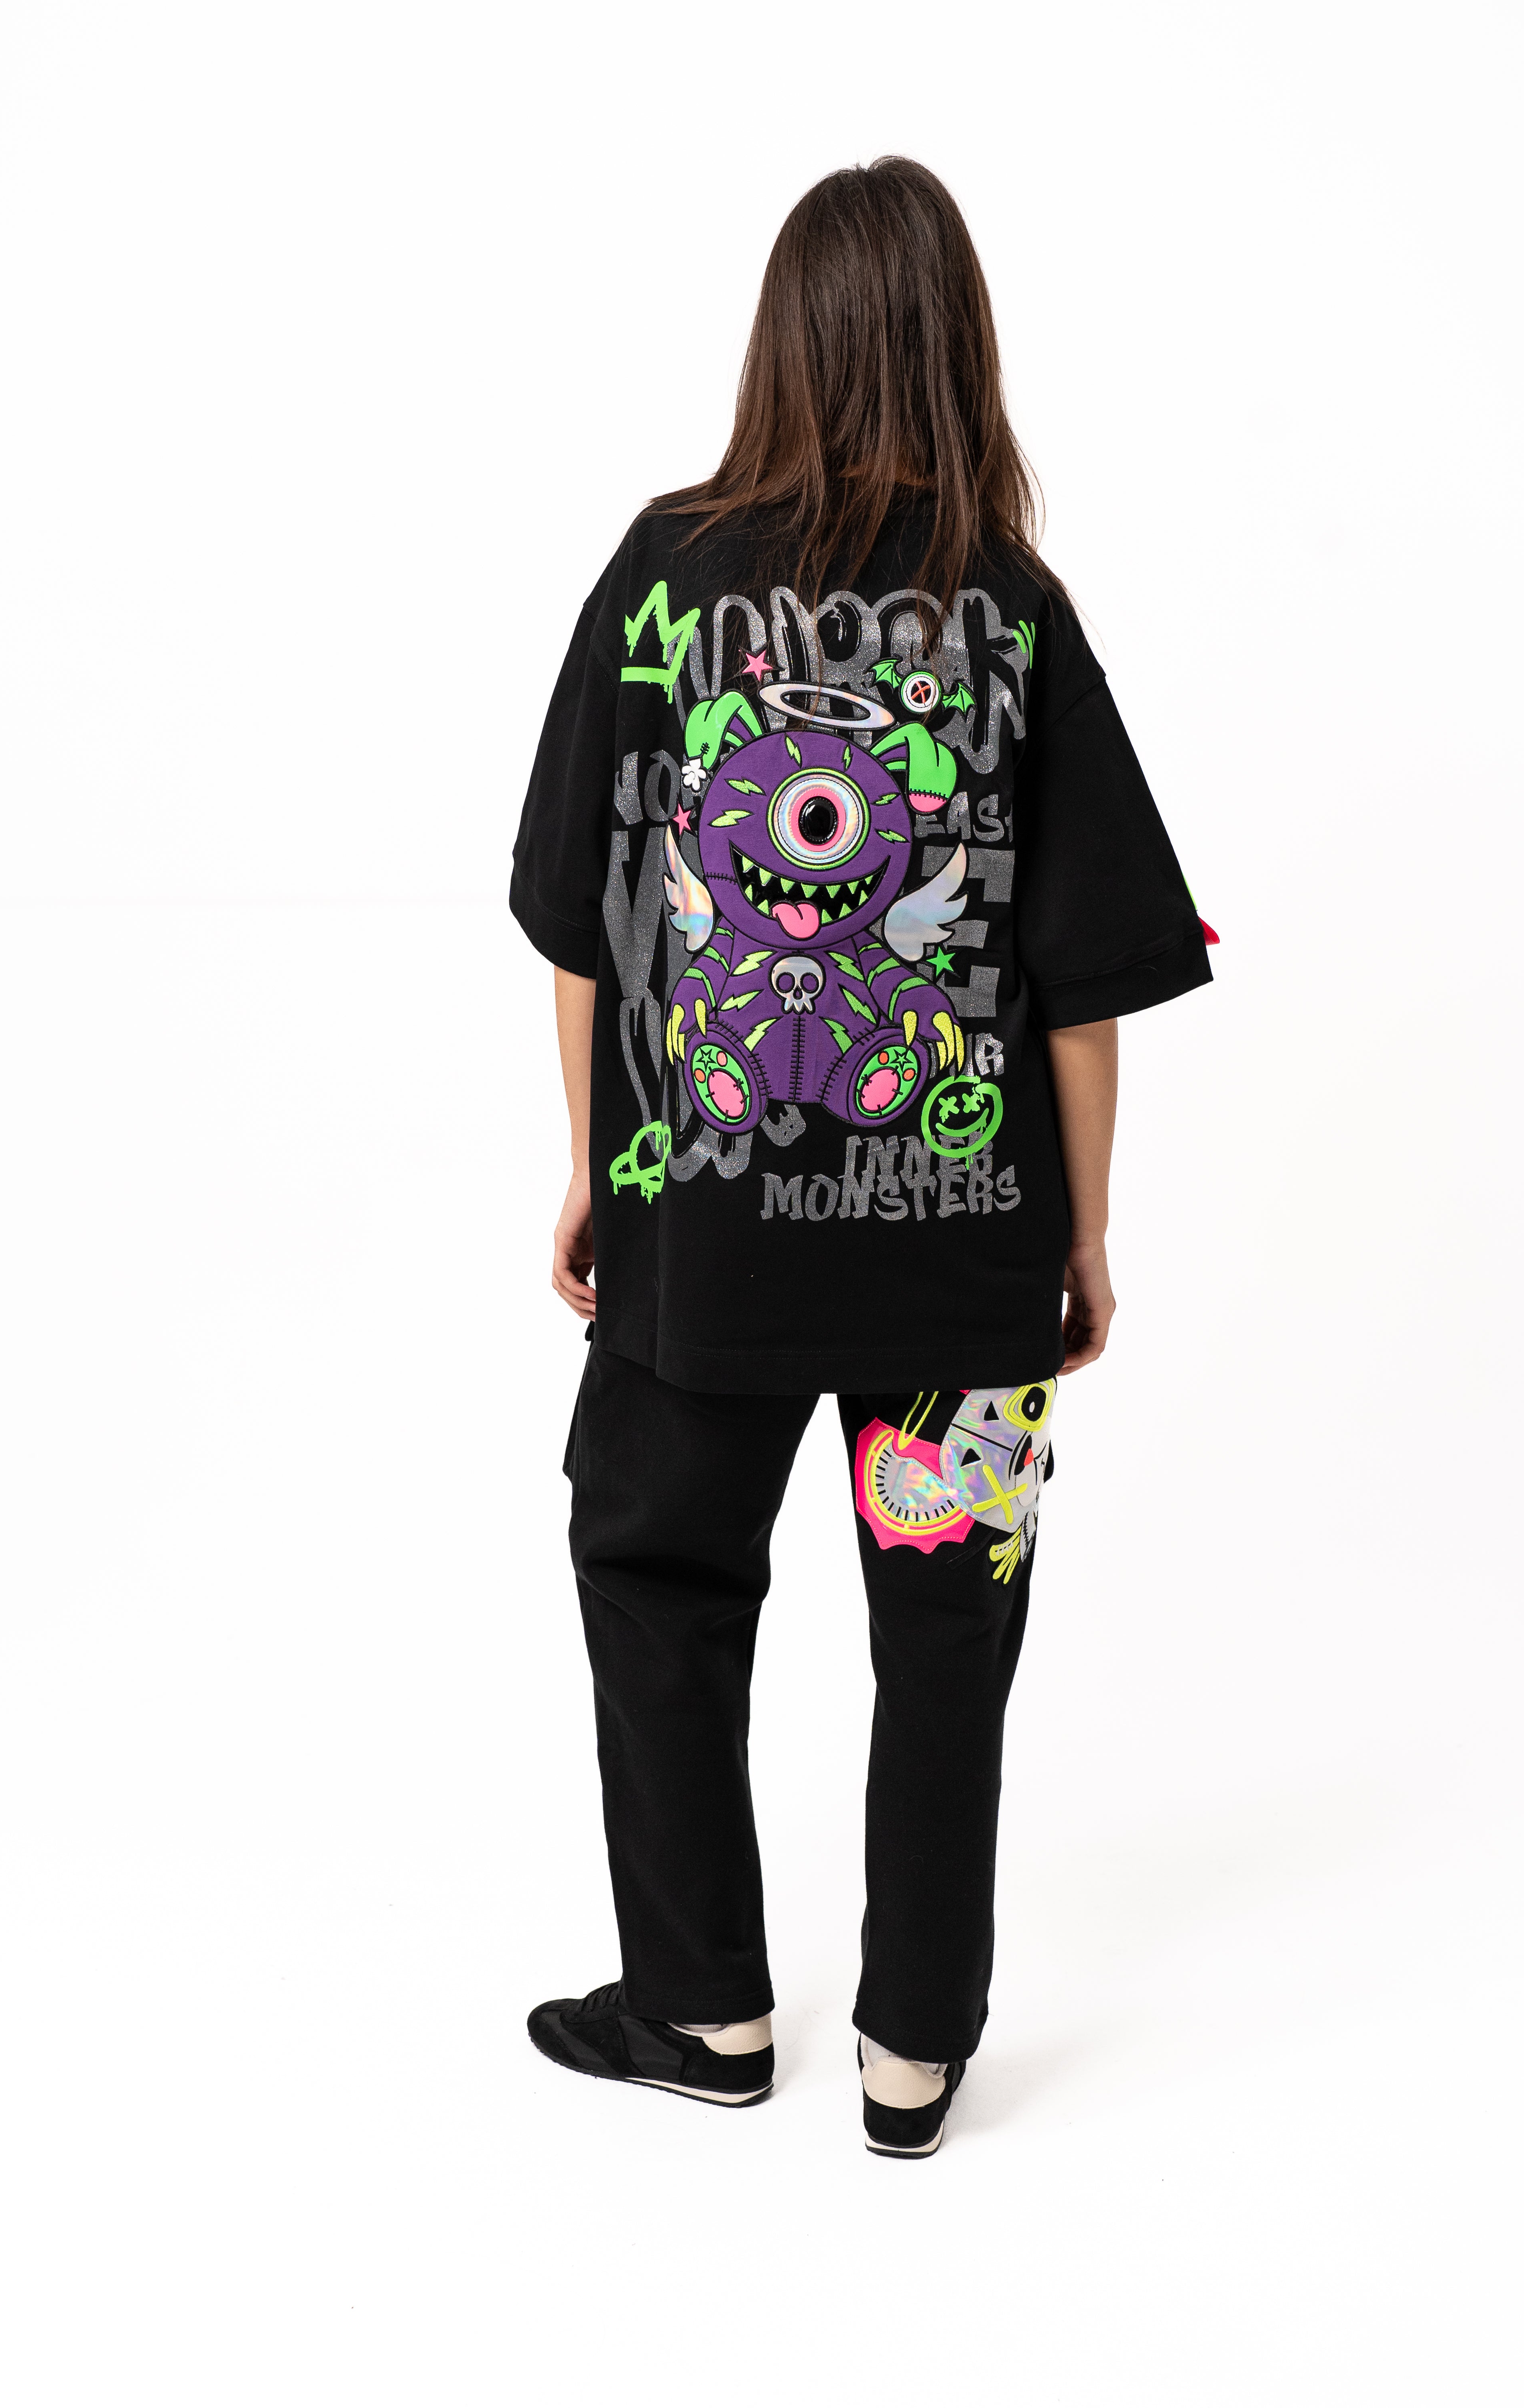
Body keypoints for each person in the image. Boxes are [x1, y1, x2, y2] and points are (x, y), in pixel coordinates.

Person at [508, 158, 1213, 2158]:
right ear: (957, 345)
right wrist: (1082, 1235)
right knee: (948, 1621)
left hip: (700, 1240)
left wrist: (596, 1164)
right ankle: (914, 2055)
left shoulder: (662, 573)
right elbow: (1077, 984)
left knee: (659, 1581)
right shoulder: (1014, 607)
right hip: (960, 1254)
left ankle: (702, 2009)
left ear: (782, 339)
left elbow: (587, 924)